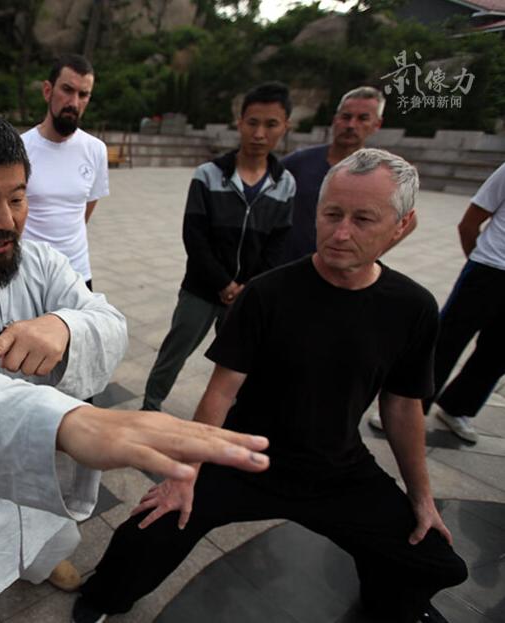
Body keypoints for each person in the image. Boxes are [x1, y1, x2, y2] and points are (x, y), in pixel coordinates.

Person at [0, 107, 273, 623]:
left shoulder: (39, 262)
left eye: (18, 199)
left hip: (41, 487)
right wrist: (68, 423)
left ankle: (40, 562)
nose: (7, 222)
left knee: (48, 539)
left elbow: (108, 321)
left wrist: (63, 327)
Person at [74, 149, 467, 623]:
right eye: (332, 214)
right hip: (244, 455)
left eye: (363, 219)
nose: (341, 232)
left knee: (434, 560)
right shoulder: (268, 293)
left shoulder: (413, 307)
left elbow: (403, 406)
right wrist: (186, 473)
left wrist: (421, 497)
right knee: (149, 530)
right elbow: (220, 392)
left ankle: (388, 602)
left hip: (339, 469)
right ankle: (103, 599)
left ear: (402, 226)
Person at [141, 82, 296, 412]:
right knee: (175, 350)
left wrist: (248, 287)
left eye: (271, 124)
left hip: (248, 295)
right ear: (239, 123)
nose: (259, 133)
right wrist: (223, 283)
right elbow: (194, 237)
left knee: (240, 361)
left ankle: (233, 414)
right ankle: (150, 406)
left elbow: (277, 244)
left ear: (286, 126)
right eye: (252, 122)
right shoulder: (208, 175)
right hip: (201, 288)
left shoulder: (285, 184)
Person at [281, 85, 419, 263]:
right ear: (335, 119)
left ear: (377, 124)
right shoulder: (299, 162)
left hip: (339, 270)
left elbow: (409, 221)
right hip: (290, 264)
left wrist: (366, 257)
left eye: (363, 118)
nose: (351, 125)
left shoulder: (380, 175)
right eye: (346, 117)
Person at [423, 161, 505, 443]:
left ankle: (457, 407)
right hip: (489, 269)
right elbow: (468, 224)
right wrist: (479, 262)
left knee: (497, 353)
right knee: (446, 339)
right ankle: (411, 404)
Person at [21, 54, 108, 290]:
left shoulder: (96, 150)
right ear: (47, 91)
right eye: (67, 90)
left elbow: (84, 211)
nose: (74, 102)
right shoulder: (19, 149)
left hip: (77, 275)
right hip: (28, 276)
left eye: (83, 95)